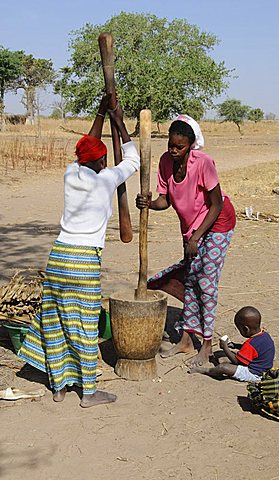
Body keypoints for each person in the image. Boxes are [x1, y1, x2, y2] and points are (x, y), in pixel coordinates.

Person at [18, 94, 140, 407]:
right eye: (102, 160)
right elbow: (133, 160)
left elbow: (89, 143)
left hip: (59, 256)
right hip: (84, 262)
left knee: (56, 320)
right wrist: (120, 122)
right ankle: (88, 392)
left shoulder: (71, 174)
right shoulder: (107, 179)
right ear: (100, 162)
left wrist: (101, 111)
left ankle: (58, 387)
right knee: (85, 325)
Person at [136, 114, 236, 366]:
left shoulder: (203, 163)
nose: (173, 150)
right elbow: (165, 200)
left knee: (206, 282)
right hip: (191, 228)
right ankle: (186, 340)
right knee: (190, 280)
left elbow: (217, 204)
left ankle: (208, 345)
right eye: (171, 144)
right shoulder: (165, 162)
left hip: (218, 223)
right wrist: (149, 203)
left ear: (190, 145)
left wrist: (197, 237)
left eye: (179, 147)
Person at [189, 306, 275, 382]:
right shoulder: (264, 336)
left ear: (246, 329)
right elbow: (254, 351)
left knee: (223, 367)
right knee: (222, 357)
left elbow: (237, 361)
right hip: (264, 370)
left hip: (254, 374)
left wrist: (225, 347)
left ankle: (206, 371)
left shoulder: (251, 344)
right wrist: (235, 346)